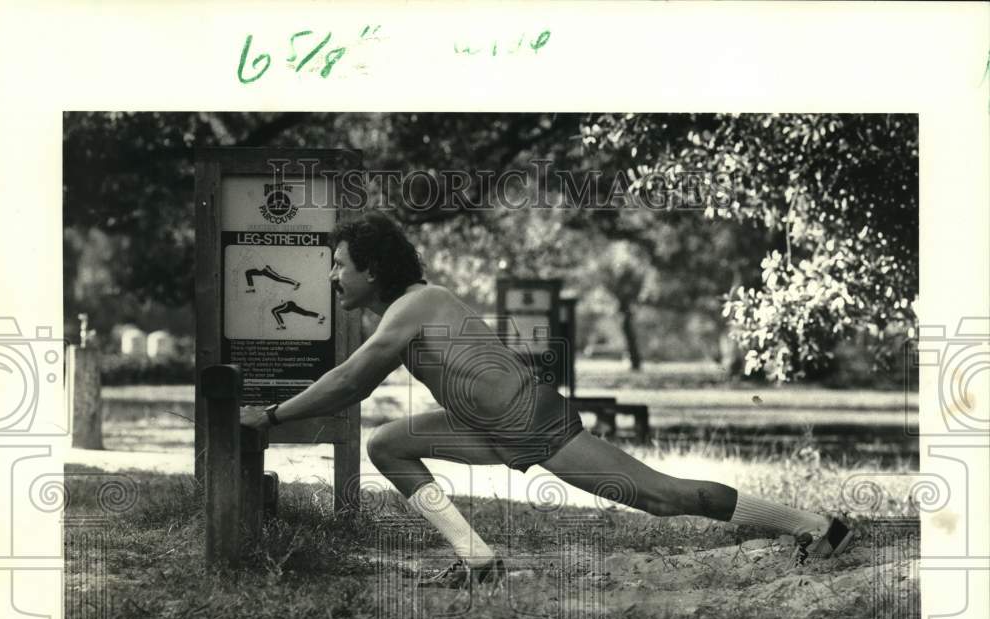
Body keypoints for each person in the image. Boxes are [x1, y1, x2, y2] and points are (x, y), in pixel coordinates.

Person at [240, 212, 853, 588]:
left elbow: (350, 382)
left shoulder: (414, 306)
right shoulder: (406, 308)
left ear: (371, 269)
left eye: (340, 265)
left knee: (664, 498)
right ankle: (477, 559)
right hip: (484, 426)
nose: (332, 276)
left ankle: (819, 527)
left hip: (535, 427)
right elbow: (357, 381)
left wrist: (268, 418)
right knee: (388, 445)